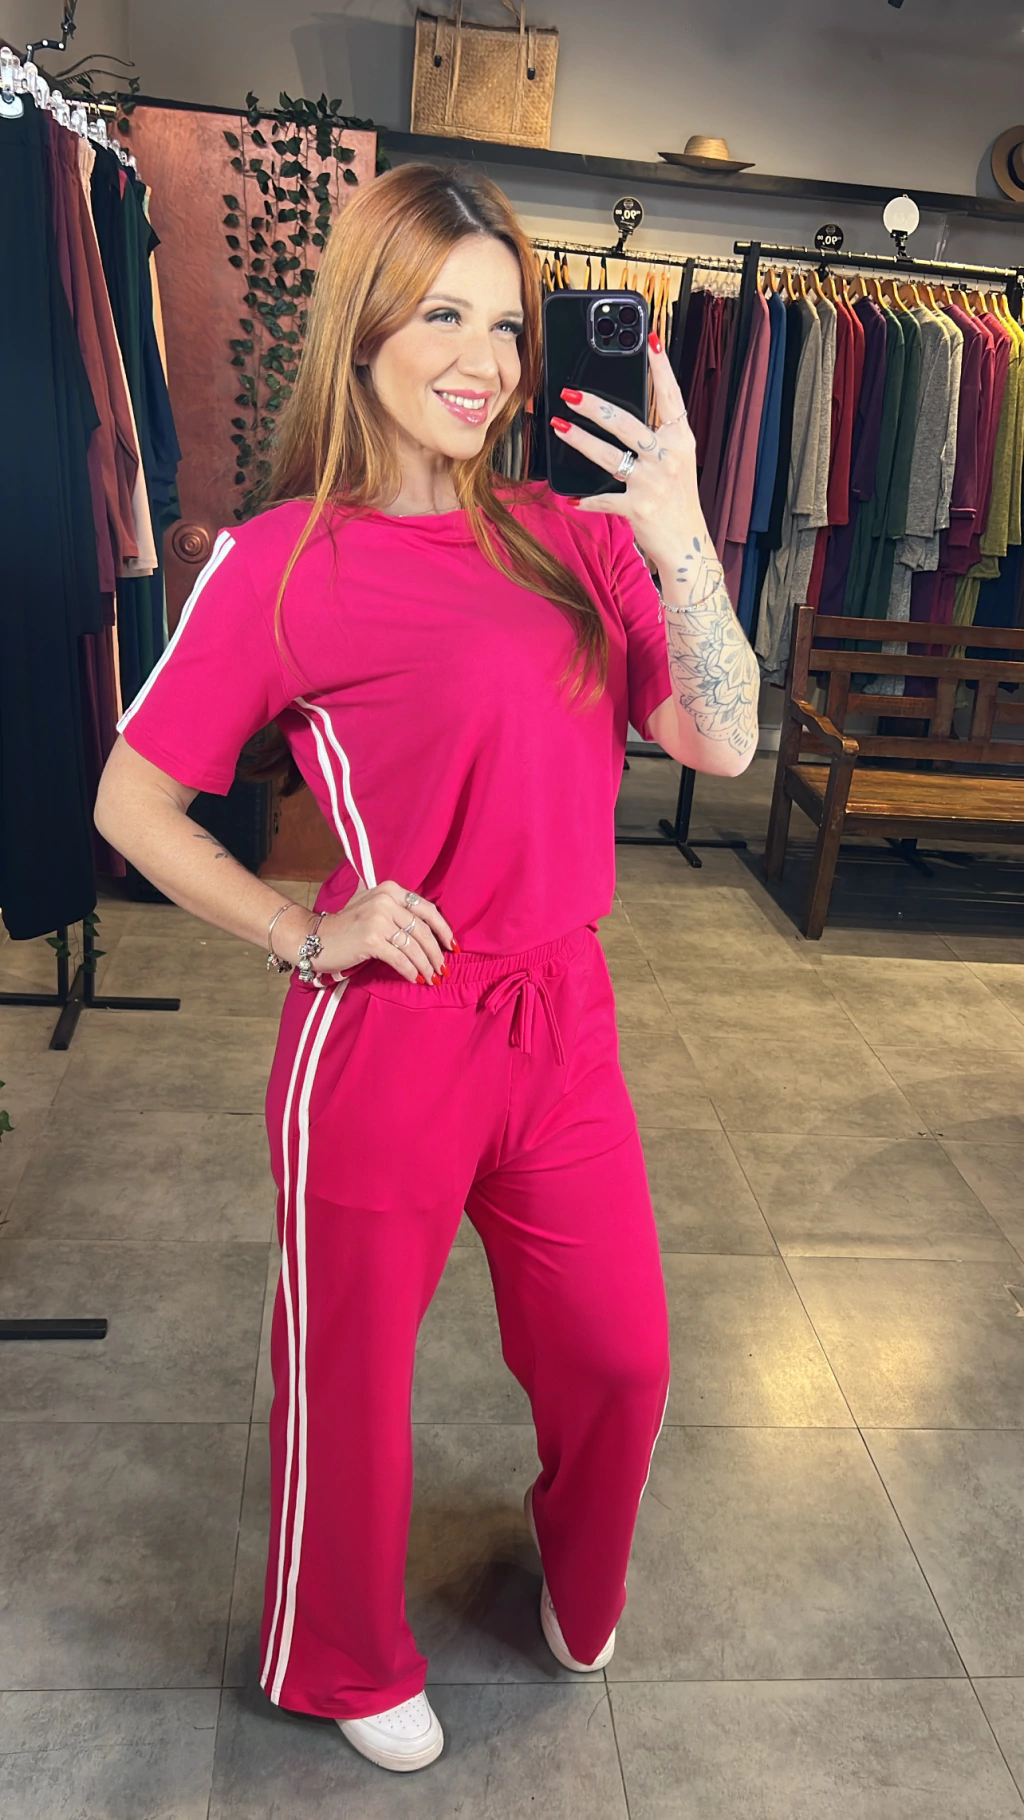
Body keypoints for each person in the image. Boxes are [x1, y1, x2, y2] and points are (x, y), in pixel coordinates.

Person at [94, 162, 759, 1775]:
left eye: (509, 326)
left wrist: (679, 531)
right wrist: (299, 930)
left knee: (620, 1354)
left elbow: (723, 741)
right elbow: (131, 800)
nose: (484, 360)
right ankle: (339, 1654)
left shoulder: (571, 536)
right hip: (388, 1033)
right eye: (443, 316)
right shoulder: (280, 563)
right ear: (367, 328)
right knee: (351, 1382)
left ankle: (579, 1574)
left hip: (562, 1016)